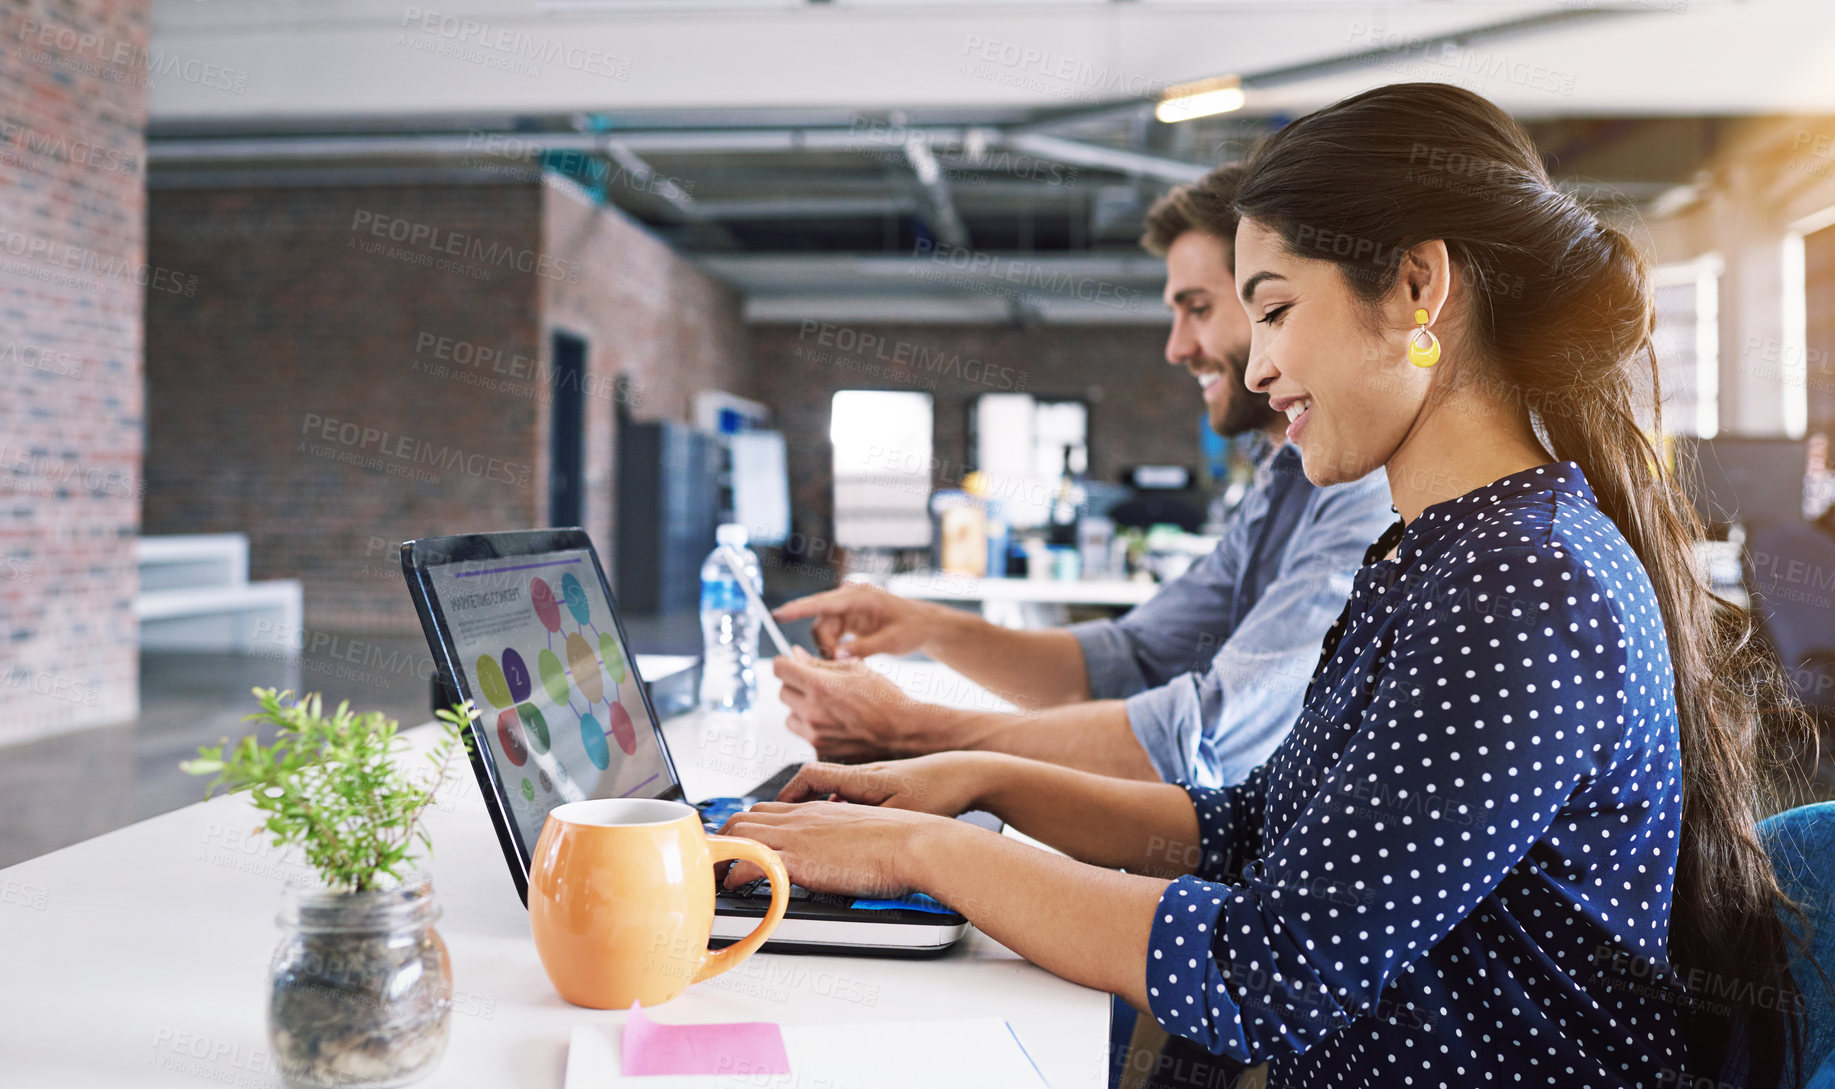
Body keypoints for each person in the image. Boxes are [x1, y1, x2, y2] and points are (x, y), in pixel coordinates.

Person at [722, 82, 1812, 1087]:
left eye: (1276, 308)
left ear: (1418, 288)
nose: (1253, 366)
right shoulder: (1439, 552)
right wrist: (973, 782)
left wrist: (926, 848)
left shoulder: (1522, 585)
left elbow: (1266, 975)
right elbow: (1250, 830)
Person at [770, 166, 1395, 786]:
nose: (1177, 348)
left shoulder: (1375, 494)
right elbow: (1126, 664)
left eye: (1201, 308)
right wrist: (928, 624)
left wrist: (911, 730)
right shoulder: (1286, 478)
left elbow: (1208, 737)